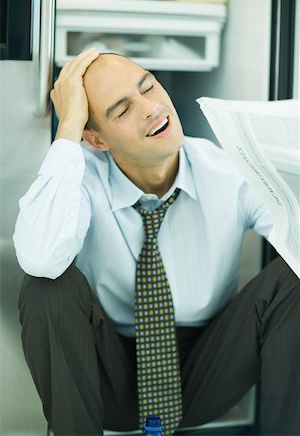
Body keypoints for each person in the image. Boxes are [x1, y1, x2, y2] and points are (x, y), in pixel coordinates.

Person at [13, 48, 300, 436]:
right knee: (47, 286)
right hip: (102, 374)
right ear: (95, 138)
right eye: (122, 110)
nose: (150, 108)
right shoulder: (79, 179)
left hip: (207, 366)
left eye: (148, 86)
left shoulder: (227, 170)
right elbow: (41, 260)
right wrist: (69, 129)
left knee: (295, 274)